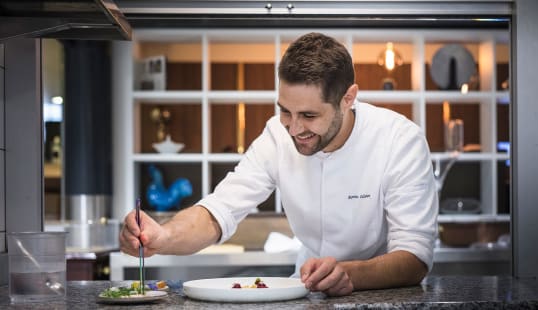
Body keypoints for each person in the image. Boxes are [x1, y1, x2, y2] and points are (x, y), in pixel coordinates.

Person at [120, 32, 438, 297]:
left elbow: (415, 258)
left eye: (309, 116)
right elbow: (221, 209)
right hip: (308, 291)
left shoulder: (400, 140)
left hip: (382, 295)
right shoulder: (277, 134)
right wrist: (163, 237)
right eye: (286, 111)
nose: (295, 129)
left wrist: (350, 273)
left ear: (348, 98)